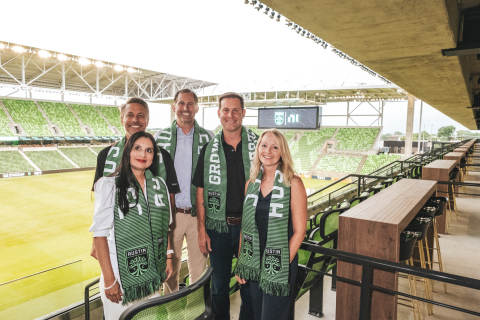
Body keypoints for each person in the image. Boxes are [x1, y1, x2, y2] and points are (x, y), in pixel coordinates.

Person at [89, 131, 174, 320]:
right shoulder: (109, 185)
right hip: (120, 277)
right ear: (127, 152)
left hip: (152, 275)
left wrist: (168, 257)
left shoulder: (160, 185)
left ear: (154, 157)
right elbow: (99, 236)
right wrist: (110, 281)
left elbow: (164, 228)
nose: (143, 155)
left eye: (149, 150)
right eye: (137, 148)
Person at [192, 92, 258, 320]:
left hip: (249, 228)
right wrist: (201, 229)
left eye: (235, 110)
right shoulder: (208, 148)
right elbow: (200, 189)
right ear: (219, 114)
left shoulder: (259, 146)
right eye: (226, 110)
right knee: (219, 286)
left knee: (248, 284)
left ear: (243, 113)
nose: (231, 115)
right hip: (217, 229)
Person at [91, 97, 180, 259]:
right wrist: (96, 240)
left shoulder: (162, 156)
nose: (135, 120)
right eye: (130, 114)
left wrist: (166, 245)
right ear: (122, 119)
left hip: (152, 235)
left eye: (141, 115)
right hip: (116, 239)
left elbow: (169, 201)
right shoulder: (105, 155)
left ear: (147, 120)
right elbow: (99, 204)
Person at [234, 129, 307, 320]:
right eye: (264, 145)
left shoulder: (293, 183)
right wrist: (241, 263)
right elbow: (245, 227)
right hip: (253, 263)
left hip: (279, 265)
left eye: (275, 147)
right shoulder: (250, 184)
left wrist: (280, 265)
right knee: (254, 313)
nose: (268, 151)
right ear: (258, 149)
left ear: (282, 152)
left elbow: (300, 231)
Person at [154, 89, 214, 294]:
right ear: (174, 107)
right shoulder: (159, 138)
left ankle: (195, 313)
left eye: (190, 104)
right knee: (169, 273)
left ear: (196, 108)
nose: (185, 108)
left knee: (199, 272)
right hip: (171, 216)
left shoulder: (209, 138)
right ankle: (173, 315)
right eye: (181, 104)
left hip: (199, 216)